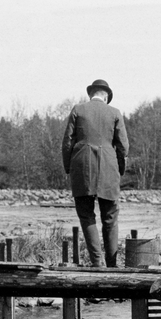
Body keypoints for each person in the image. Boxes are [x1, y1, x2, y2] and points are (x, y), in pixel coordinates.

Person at [62, 79, 129, 267]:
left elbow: (67, 143)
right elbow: (123, 146)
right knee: (110, 219)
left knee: (86, 215)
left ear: (91, 94)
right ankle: (112, 264)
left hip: (81, 168)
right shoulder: (115, 113)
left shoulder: (78, 110)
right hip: (109, 168)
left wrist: (69, 168)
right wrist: (119, 169)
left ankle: (97, 263)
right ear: (106, 96)